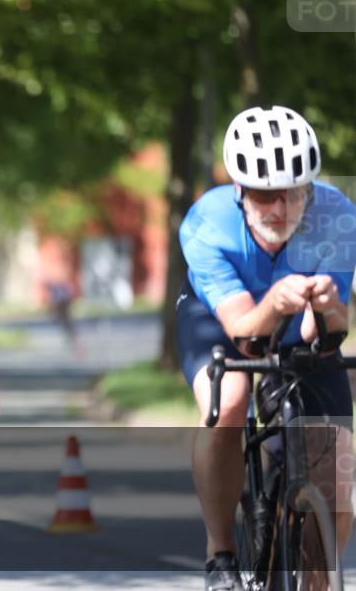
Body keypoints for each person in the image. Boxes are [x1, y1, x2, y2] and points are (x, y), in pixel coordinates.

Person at [177, 106, 356, 591]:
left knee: (335, 473)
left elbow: (329, 335)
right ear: (239, 190)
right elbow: (244, 333)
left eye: (294, 193)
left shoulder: (338, 216)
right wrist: (275, 302)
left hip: (295, 321)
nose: (279, 208)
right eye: (263, 194)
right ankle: (220, 556)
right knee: (230, 401)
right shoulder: (207, 224)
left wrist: (328, 308)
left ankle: (317, 579)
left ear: (310, 189)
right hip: (217, 320)